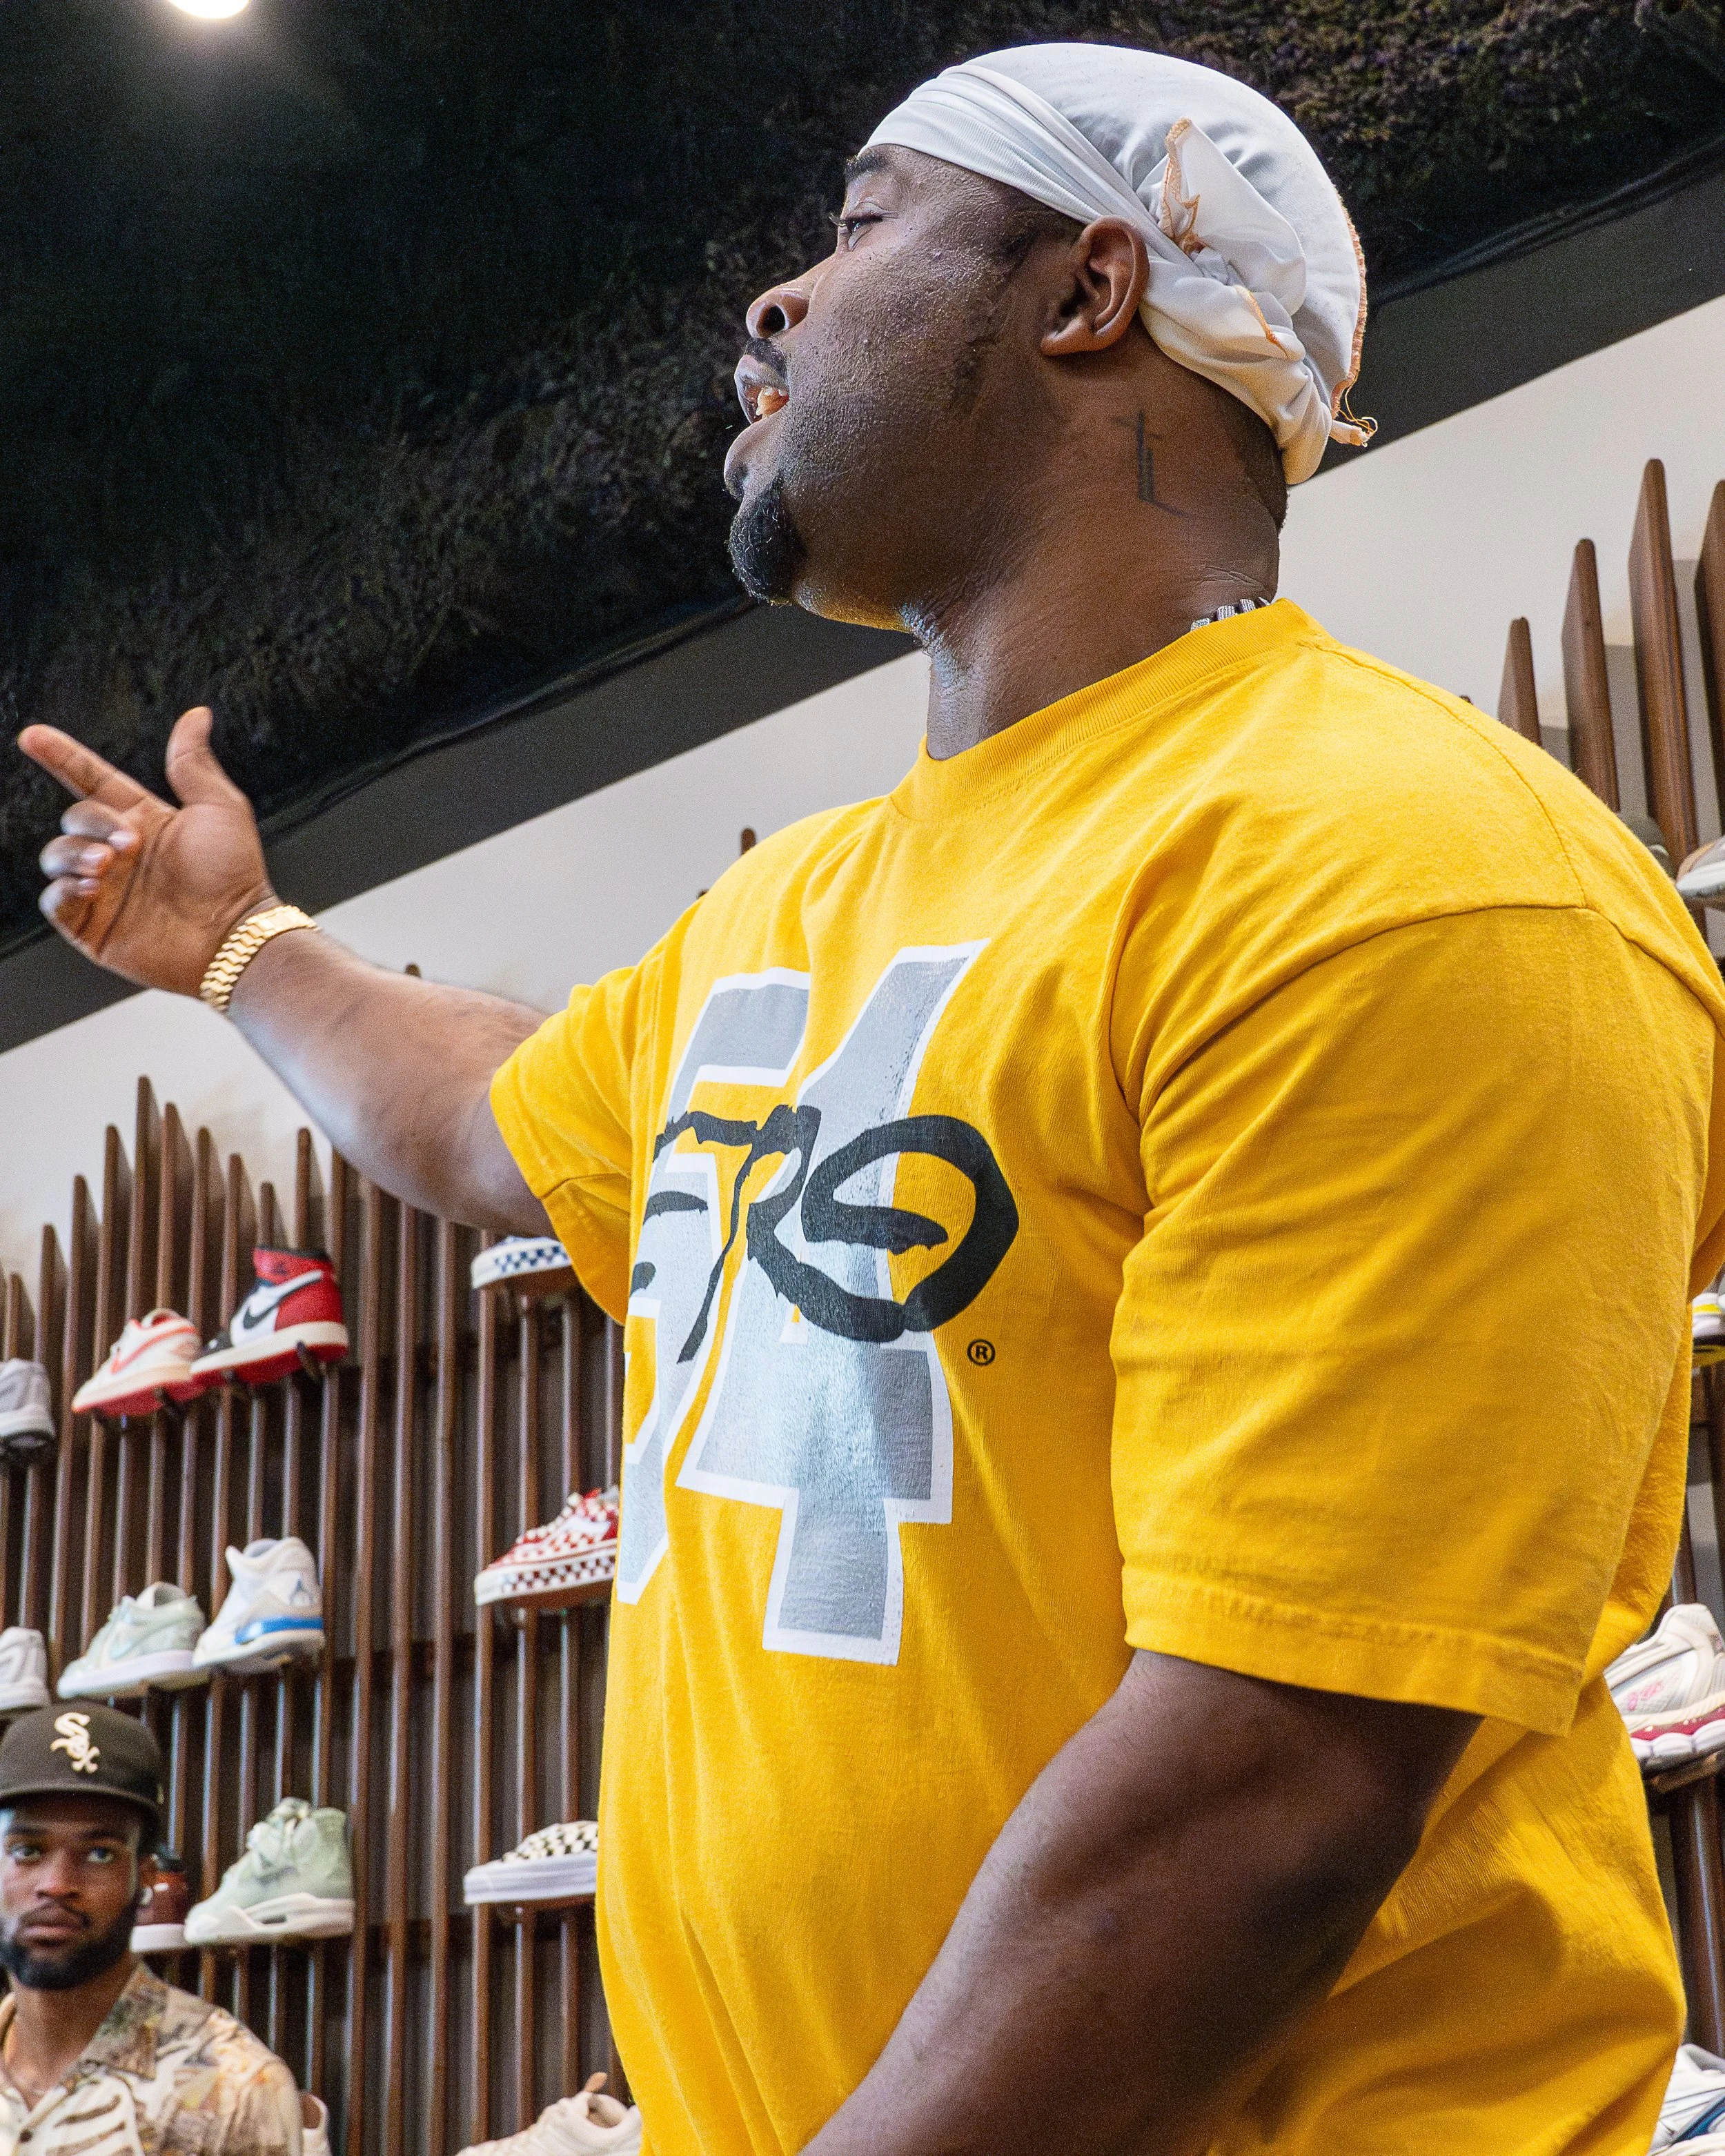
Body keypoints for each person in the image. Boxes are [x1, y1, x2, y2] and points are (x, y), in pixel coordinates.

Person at [17, 39, 1725, 2156]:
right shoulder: (796, 913)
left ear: (1088, 294)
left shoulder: (1394, 872)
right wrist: (245, 948)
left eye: (856, 225)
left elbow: (1268, 1778)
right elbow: (486, 1113)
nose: (773, 301)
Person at [0, 1703, 301, 2153]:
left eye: (99, 1853)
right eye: (27, 1850)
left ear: (144, 1874)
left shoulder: (233, 2086)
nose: (57, 1885)